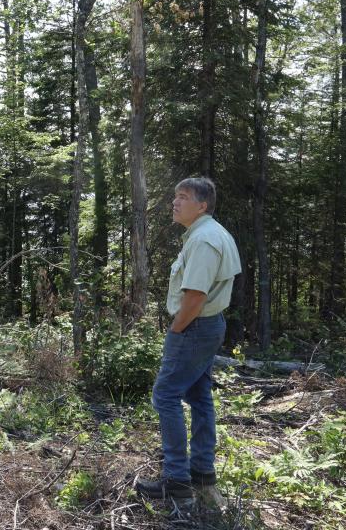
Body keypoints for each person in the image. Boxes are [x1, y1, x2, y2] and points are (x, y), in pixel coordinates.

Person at [136, 177, 242, 500]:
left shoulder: (204, 240)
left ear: (202, 205)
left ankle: (177, 481)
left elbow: (195, 297)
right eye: (175, 197)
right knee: (198, 395)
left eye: (182, 197)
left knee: (165, 395)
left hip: (195, 326)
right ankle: (201, 474)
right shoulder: (208, 234)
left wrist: (176, 329)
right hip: (206, 326)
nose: (175, 202)